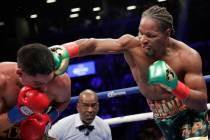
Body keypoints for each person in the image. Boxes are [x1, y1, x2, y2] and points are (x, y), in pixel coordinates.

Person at [49, 5, 209, 140]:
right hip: (163, 118)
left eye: (151, 35)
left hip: (191, 114)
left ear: (167, 33)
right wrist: (66, 50)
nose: (143, 39)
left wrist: (174, 85)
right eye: (140, 32)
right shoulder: (132, 46)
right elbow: (94, 45)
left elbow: (201, 102)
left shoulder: (188, 57)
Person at [0, 43, 71, 140]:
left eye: (49, 80)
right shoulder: (2, 81)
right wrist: (20, 112)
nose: (45, 88)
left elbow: (64, 101)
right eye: (38, 82)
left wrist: (48, 117)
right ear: (20, 73)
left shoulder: (60, 81)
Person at [47, 89, 112, 140]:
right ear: (78, 107)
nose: (90, 110)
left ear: (98, 107)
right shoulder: (62, 125)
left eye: (93, 105)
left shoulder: (104, 127)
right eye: (85, 105)